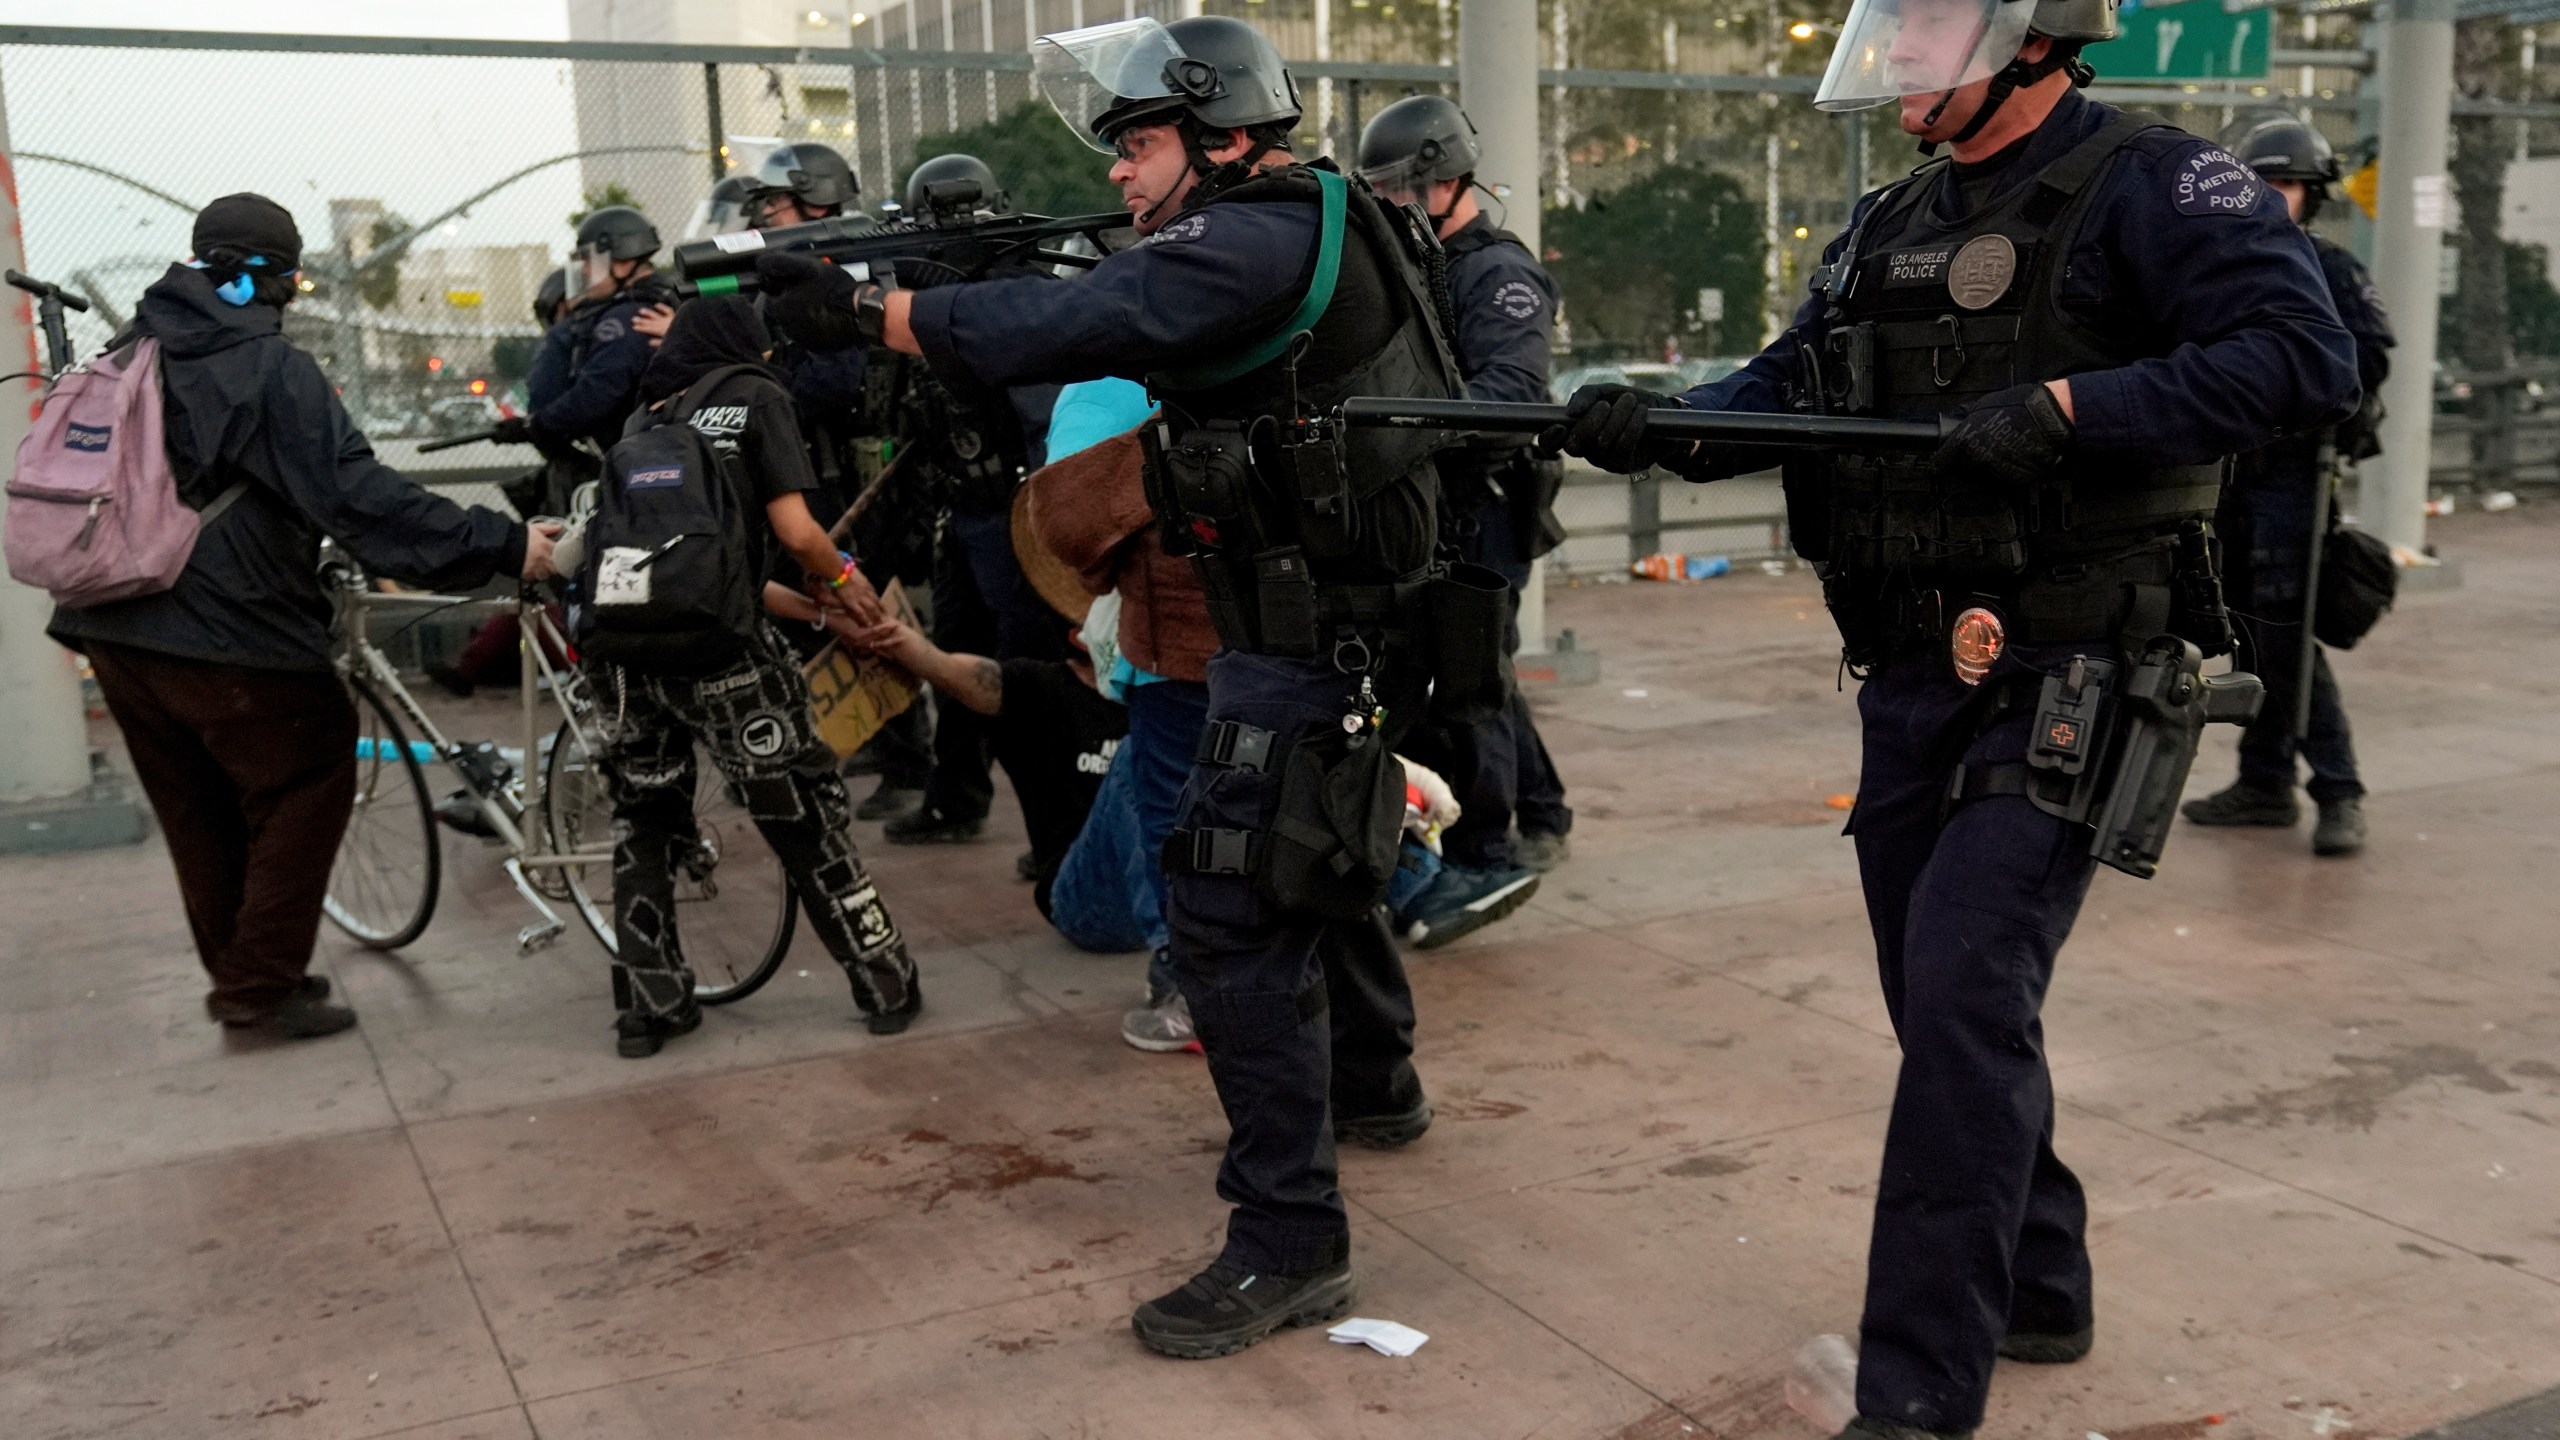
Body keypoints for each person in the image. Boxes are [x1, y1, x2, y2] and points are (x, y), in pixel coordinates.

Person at [1549, 1, 2360, 1433]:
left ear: (2036, 35)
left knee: (1968, 993)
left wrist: (2071, 403)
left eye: (1927, 24)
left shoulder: (2163, 182)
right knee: (1941, 1004)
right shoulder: (1891, 217)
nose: (1900, 54)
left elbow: (2304, 357)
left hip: (2078, 664)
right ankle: (2040, 1279)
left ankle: (1921, 1391)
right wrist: (1668, 419)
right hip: (1917, 671)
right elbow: (1799, 378)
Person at [757, 12, 1465, 1357]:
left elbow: (1088, 316)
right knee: (1303, 869)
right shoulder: (1281, 226)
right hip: (1298, 630)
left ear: (1224, 130)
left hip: (1307, 639)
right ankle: (1372, 1092)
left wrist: (873, 310)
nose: (1123, 176)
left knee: (1225, 907)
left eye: (1139, 145)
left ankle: (1289, 1239)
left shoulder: (1262, 231)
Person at [46, 193, 558, 1039]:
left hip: (111, 623)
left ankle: (247, 978)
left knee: (198, 812)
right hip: (224, 627)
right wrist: (503, 546)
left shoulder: (131, 347)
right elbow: (360, 499)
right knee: (311, 767)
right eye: (290, 278)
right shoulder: (268, 368)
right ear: (275, 278)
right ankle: (258, 984)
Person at [582, 295, 920, 1058]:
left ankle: (648, 1005)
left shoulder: (644, 422)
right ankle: (884, 980)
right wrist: (843, 586)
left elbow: (700, 572)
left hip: (628, 656)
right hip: (728, 662)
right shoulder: (758, 396)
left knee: (644, 818)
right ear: (751, 350)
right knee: (800, 813)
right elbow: (796, 534)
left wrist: (812, 612)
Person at [1355, 94, 1563, 949]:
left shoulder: (1494, 272)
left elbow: (1513, 395)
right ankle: (1545, 808)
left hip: (1485, 503)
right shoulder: (1424, 264)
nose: (1397, 207)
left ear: (1449, 182)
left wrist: (1400, 428)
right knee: (1484, 669)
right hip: (1442, 504)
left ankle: (1486, 848)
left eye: (1406, 191)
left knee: (1470, 682)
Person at [2181, 115, 2392, 857]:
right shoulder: (2217, 263)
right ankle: (2264, 782)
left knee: (2286, 637)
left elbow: (2366, 365)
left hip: (2292, 479)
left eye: (2288, 185)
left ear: (2312, 194)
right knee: (2244, 632)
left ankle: (2338, 789)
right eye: (2262, 183)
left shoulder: (2328, 269)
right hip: (2225, 477)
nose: (2275, 197)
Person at [875, 154, 1074, 850]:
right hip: (962, 512)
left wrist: (1046, 526)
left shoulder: (1015, 294)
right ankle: (957, 797)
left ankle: (1064, 831)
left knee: (1028, 678)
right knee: (955, 656)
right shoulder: (935, 301)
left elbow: (1047, 423)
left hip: (1016, 512)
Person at [489, 206, 675, 457]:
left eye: (589, 260)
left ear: (622, 261)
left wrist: (535, 425)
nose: (584, 270)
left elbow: (598, 391)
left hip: (639, 456)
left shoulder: (631, 316)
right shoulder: (662, 300)